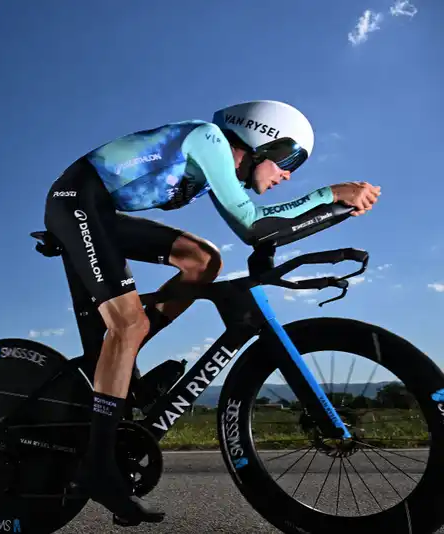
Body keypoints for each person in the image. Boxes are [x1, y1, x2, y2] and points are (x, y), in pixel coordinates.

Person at [43, 100, 381, 525]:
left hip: (99, 211)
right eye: (289, 159)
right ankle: (97, 467)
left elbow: (262, 232)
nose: (288, 174)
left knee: (203, 261)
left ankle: (123, 359)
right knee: (127, 324)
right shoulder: (206, 138)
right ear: (263, 140)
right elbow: (253, 224)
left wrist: (331, 211)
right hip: (76, 204)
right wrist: (329, 195)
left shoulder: (212, 161)